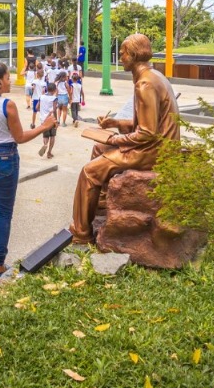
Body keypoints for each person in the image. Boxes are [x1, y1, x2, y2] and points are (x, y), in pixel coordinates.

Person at [69, 34, 181, 246]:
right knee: (98, 147)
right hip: (158, 145)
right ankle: (102, 203)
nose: (120, 57)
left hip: (154, 151)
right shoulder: (154, 76)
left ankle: (81, 233)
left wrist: (116, 140)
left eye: (123, 53)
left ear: (134, 55)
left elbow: (147, 133)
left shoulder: (145, 84)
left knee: (89, 172)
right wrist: (115, 123)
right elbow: (148, 124)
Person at [0, 59, 55, 278]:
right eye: (8, 78)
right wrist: (44, 127)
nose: (10, 81)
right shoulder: (7, 105)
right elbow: (19, 137)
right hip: (5, 158)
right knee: (4, 212)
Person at [37, 81, 59, 159]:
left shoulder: (41, 97)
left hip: (43, 119)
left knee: (45, 135)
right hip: (51, 119)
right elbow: (54, 110)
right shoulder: (54, 98)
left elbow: (37, 108)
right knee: (52, 135)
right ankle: (49, 152)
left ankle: (45, 144)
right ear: (54, 90)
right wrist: (56, 121)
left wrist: (43, 111)